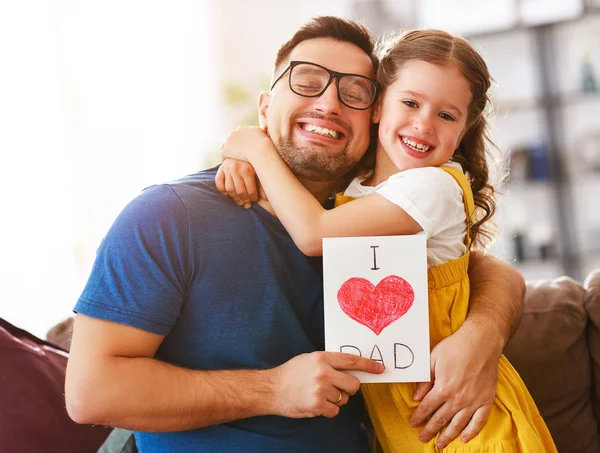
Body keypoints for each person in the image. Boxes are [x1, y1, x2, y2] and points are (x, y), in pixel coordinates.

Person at [65, 17, 526, 453]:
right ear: (265, 108)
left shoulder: (362, 209)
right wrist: (272, 390)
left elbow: (482, 268)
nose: (328, 104)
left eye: (354, 93)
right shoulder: (169, 216)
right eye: (306, 82)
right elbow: (91, 393)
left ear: (374, 117)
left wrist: (481, 336)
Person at [217, 29, 556, 451]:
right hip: (402, 417)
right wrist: (241, 157)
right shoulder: (354, 188)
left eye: (446, 116)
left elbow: (313, 234)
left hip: (460, 414)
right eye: (410, 103)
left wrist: (252, 142)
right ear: (378, 106)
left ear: (465, 127)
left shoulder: (432, 187)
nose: (423, 124)